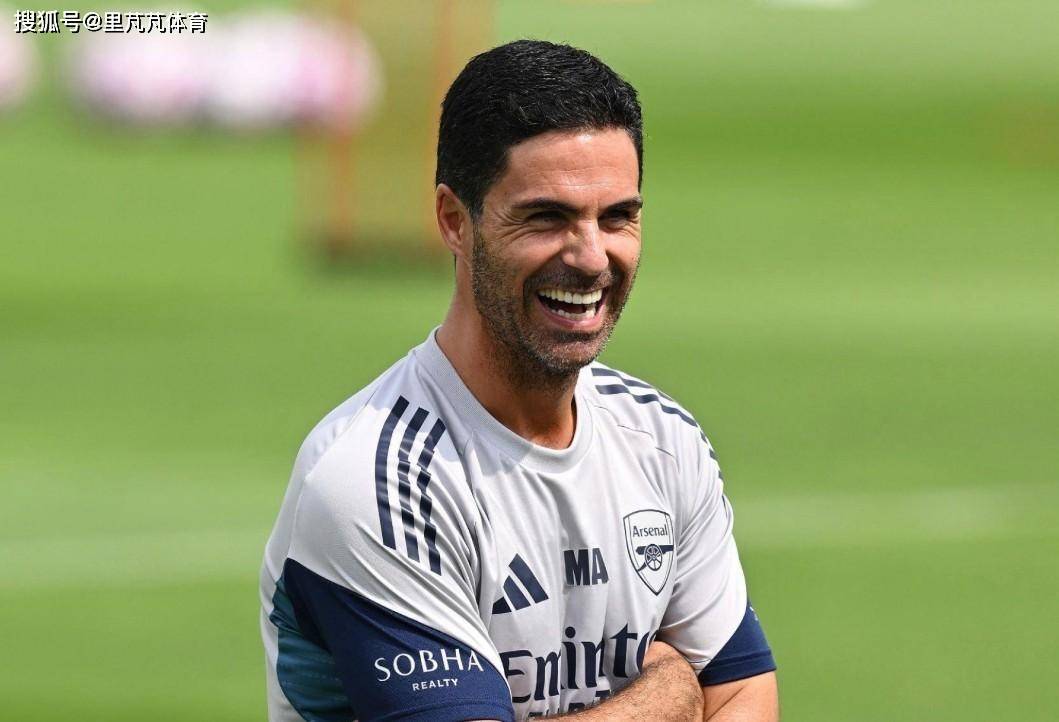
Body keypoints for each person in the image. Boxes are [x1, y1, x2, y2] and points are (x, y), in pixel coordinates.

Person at [260, 39, 778, 721]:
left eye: (617, 217)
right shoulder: (380, 481)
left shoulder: (661, 440)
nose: (591, 257)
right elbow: (705, 692)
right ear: (455, 221)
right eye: (546, 218)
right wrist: (671, 692)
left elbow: (742, 694)